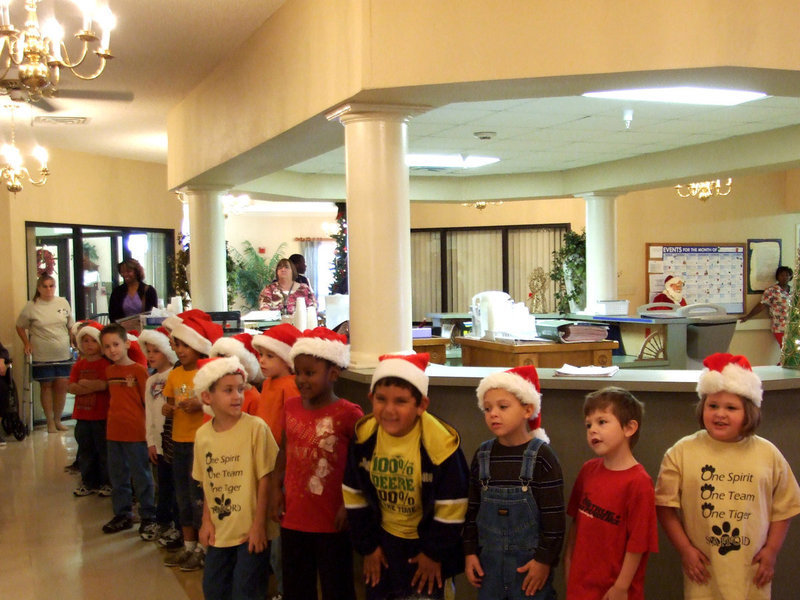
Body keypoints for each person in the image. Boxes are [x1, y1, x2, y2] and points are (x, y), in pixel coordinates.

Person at [655, 353, 800, 600]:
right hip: (703, 572)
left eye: (731, 407)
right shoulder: (680, 452)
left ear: (749, 412)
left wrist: (772, 551)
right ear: (703, 407)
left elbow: (785, 507)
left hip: (752, 572)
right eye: (713, 406)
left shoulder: (768, 454)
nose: (720, 414)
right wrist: (685, 550)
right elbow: (664, 506)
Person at [343, 353, 469, 599]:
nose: (389, 410)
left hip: (427, 546)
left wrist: (433, 554)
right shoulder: (364, 438)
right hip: (383, 544)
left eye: (400, 401)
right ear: (371, 399)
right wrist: (369, 547)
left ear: (421, 405)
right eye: (381, 399)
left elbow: (453, 507)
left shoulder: (441, 446)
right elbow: (354, 494)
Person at [270, 327, 363, 600]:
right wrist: (276, 488)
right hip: (294, 518)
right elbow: (285, 449)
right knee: (297, 586)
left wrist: (350, 504)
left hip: (331, 521)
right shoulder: (291, 407)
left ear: (333, 373)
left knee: (337, 586)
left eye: (309, 373)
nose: (301, 379)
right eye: (297, 372)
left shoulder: (349, 413)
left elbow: (360, 465)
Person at [464, 365, 564, 600]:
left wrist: (544, 561)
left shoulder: (542, 457)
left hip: (529, 572)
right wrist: (469, 553)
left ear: (527, 409)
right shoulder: (482, 455)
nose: (493, 413)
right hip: (489, 569)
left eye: (503, 406)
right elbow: (471, 511)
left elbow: (554, 520)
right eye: (487, 408)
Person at [193, 356, 279, 600]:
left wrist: (259, 526)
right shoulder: (202, 436)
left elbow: (265, 479)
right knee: (213, 589)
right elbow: (207, 486)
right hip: (220, 531)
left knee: (246, 591)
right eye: (228, 390)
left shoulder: (256, 428)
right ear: (207, 397)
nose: (237, 396)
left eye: (240, 389)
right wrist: (206, 522)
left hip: (250, 531)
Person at [564, 387, 658, 600]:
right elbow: (576, 526)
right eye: (588, 424)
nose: (592, 430)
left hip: (615, 591)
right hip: (580, 588)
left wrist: (621, 587)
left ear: (629, 428)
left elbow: (639, 543)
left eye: (602, 422)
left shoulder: (639, 482)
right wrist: (568, 567)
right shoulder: (588, 470)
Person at [162, 314, 223, 571]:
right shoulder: (174, 374)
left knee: (200, 497)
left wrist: (200, 403)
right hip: (179, 441)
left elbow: (216, 402)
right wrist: (168, 408)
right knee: (183, 494)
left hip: (201, 442)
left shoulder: (207, 374)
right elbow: (168, 401)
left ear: (199, 346)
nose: (180, 350)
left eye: (185, 345)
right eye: (177, 345)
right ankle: (188, 546)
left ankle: (203, 547)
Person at [250, 323, 302, 598]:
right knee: (270, 527)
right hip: (264, 465)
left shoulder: (289, 386)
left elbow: (289, 430)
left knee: (280, 533)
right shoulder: (268, 384)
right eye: (261, 355)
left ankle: (285, 589)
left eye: (270, 356)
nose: (262, 361)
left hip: (280, 467)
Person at [99, 323, 158, 539]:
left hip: (136, 434)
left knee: (141, 476)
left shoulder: (139, 371)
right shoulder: (110, 371)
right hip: (114, 433)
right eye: (107, 346)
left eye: (116, 344)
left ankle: (149, 516)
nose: (112, 350)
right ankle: (122, 514)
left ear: (126, 344)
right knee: (118, 477)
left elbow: (147, 404)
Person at [139, 326, 182, 547]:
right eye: (148, 351)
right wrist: (151, 442)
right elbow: (149, 414)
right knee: (163, 486)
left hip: (174, 442)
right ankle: (162, 521)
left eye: (156, 350)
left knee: (176, 487)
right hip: (159, 444)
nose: (151, 355)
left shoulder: (175, 376)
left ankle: (176, 525)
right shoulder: (149, 381)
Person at [16, 273, 74, 433]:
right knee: (46, 385)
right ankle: (49, 421)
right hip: (42, 353)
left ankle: (58, 419)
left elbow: (70, 325)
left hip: (62, 352)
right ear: (39, 288)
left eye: (51, 286)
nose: (49, 289)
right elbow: (20, 326)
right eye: (45, 286)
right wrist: (26, 343)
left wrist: (73, 341)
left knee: (62, 385)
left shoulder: (63, 302)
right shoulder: (31, 306)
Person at [68, 321, 112, 497]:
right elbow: (71, 387)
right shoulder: (78, 365)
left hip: (101, 416)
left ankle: (106, 482)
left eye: (93, 341)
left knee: (103, 451)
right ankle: (88, 482)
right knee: (85, 451)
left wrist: (86, 384)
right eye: (85, 341)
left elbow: (105, 385)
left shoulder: (105, 364)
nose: (89, 345)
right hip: (82, 416)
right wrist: (91, 386)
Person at [210, 332, 264, 414]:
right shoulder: (215, 394)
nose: (221, 366)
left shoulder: (253, 398)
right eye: (218, 361)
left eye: (228, 362)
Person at [740, 266, 793, 348]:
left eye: (787, 275)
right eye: (782, 275)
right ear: (777, 277)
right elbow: (761, 305)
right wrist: (748, 317)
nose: (785, 277)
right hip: (780, 326)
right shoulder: (772, 290)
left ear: (790, 277)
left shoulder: (794, 291)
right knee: (787, 350)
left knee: (793, 353)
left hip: (794, 327)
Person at [108, 258, 159, 322]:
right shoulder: (117, 292)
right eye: (122, 272)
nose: (125, 274)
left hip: (144, 330)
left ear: (136, 272)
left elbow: (154, 314)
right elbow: (112, 315)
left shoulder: (149, 291)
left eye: (128, 271)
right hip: (122, 330)